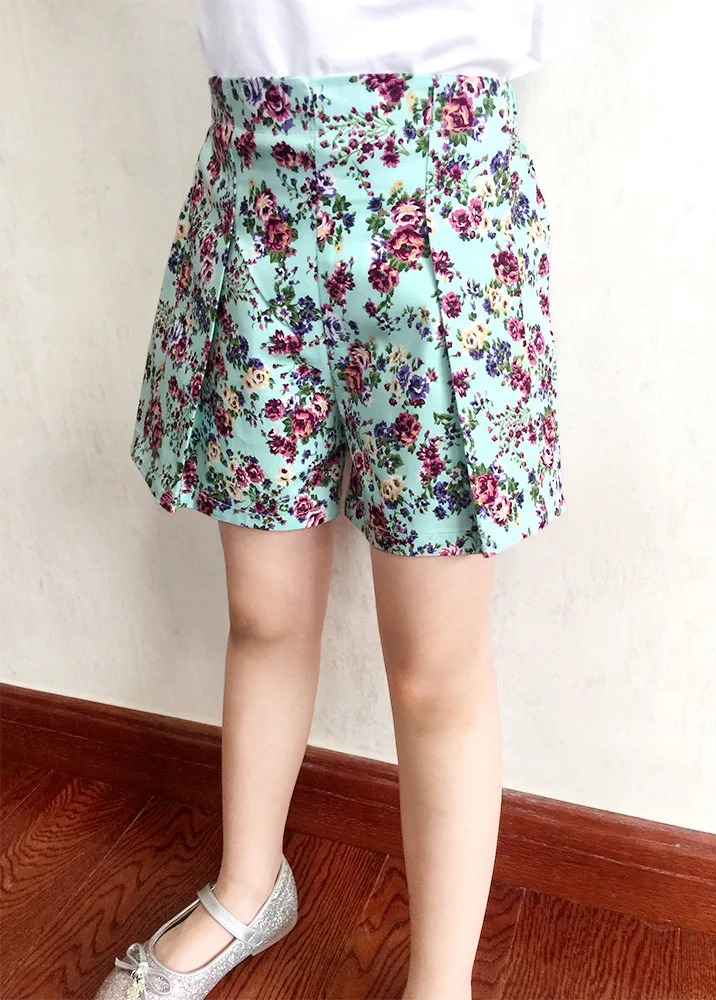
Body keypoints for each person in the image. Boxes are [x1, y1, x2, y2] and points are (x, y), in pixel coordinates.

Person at [95, 1, 565, 997]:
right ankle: (248, 886)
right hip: (254, 185)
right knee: (264, 610)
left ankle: (440, 984)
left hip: (440, 193)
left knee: (434, 665)